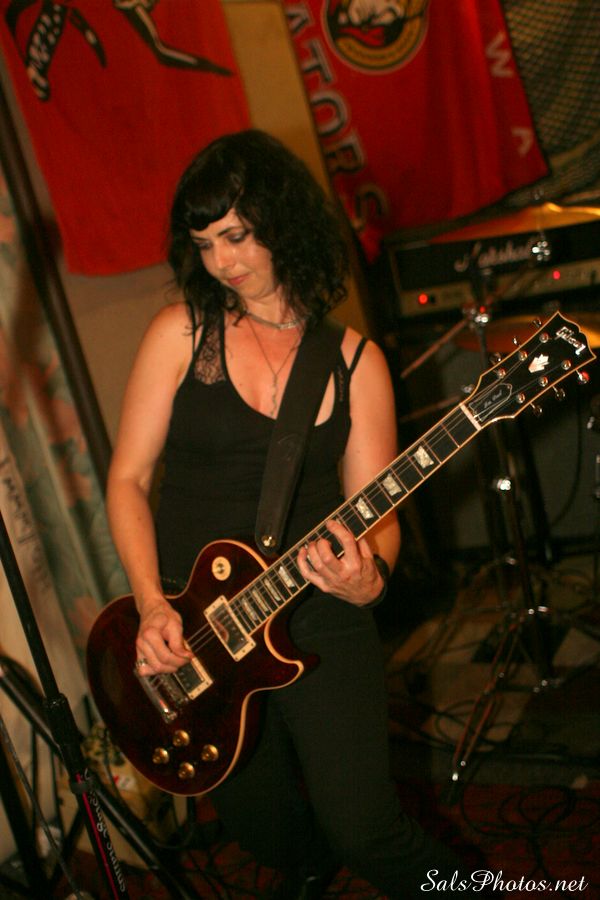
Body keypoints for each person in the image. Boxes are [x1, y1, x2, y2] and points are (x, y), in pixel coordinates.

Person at [105, 129, 486, 898]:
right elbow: (128, 479)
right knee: (265, 831)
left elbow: (378, 512)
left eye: (237, 236)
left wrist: (368, 580)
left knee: (366, 831)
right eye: (205, 244)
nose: (222, 261)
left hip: (315, 612)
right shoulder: (179, 334)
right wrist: (150, 605)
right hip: (194, 622)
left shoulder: (355, 363)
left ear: (282, 222)